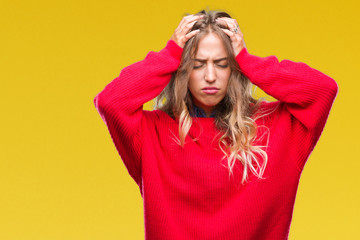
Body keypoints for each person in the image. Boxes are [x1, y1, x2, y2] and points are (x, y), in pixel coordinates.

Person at [94, 9, 338, 240]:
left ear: (234, 69)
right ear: (181, 70)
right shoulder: (152, 134)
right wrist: (169, 54)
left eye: (222, 64)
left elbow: (323, 90)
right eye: (197, 64)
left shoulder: (276, 128)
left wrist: (249, 61)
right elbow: (111, 101)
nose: (210, 76)